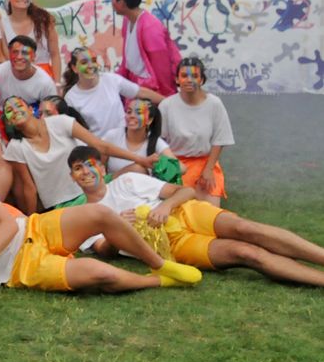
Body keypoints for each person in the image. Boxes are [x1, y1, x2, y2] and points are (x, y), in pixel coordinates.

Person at [0, 153, 202, 293]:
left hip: (33, 227)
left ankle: (159, 264)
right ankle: (158, 281)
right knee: (98, 274)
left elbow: (8, 224)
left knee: (101, 214)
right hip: (17, 269)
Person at [70, 148, 324, 287]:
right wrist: (118, 229)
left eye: (91, 164)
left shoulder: (127, 181)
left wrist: (166, 206)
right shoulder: (82, 217)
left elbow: (187, 190)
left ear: (103, 169)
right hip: (170, 245)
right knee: (246, 253)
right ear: (72, 177)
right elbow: (105, 252)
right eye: (78, 168)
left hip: (185, 212)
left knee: (245, 227)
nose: (86, 172)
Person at [1, 95, 132, 213]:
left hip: (95, 185)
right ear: (9, 121)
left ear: (30, 109)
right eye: (9, 110)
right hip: (65, 204)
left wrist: (142, 160)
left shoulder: (60, 122)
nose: (15, 111)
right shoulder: (15, 147)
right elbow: (29, 188)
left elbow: (101, 146)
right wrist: (31, 220)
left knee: (137, 168)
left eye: (18, 105)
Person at [159, 57, 234, 206]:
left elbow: (220, 139)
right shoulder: (166, 105)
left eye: (195, 76)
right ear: (177, 80)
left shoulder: (214, 104)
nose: (189, 80)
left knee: (209, 213)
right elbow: (158, 140)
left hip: (205, 163)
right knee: (180, 211)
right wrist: (173, 166)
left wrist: (209, 169)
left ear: (202, 80)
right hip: (176, 164)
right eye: (184, 76)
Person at [61, 46, 163, 138]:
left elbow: (140, 92)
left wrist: (168, 102)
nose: (90, 65)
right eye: (84, 62)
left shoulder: (110, 79)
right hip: (98, 151)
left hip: (124, 144)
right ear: (74, 68)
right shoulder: (71, 98)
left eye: (93, 60)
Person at [109, 0, 181, 97]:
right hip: (134, 83)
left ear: (122, 3)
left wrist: (165, 98)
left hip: (151, 88)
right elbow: (128, 58)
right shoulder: (127, 20)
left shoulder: (150, 28)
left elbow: (162, 68)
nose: (111, 2)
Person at [0, 36, 58, 125]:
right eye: (15, 52)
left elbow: (52, 115)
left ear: (34, 56)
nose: (19, 57)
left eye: (25, 52)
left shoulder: (45, 82)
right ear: (9, 54)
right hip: (5, 116)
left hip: (33, 119)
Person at [99, 96, 166, 177]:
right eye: (129, 112)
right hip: (113, 185)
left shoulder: (155, 141)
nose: (132, 116)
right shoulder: (112, 135)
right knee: (138, 168)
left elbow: (181, 168)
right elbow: (100, 166)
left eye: (139, 113)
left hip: (142, 188)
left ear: (149, 120)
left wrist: (161, 163)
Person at [4, 0, 61, 77]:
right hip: (15, 78)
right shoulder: (1, 24)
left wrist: (57, 83)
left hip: (43, 78)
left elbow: (55, 55)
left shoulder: (44, 21)